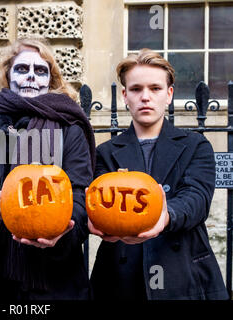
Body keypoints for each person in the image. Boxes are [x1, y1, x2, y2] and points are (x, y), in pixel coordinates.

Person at [0, 38, 96, 300]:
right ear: (8, 75)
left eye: (40, 71)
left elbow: (80, 198)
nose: (31, 76)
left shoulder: (69, 130)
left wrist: (62, 230)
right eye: (22, 69)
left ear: (50, 80)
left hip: (52, 281)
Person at [88, 48, 229, 300]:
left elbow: (196, 198)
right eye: (136, 89)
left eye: (155, 89)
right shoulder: (105, 153)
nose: (145, 97)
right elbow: (102, 204)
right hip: (120, 278)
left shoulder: (196, 145)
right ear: (125, 96)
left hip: (183, 273)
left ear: (169, 95)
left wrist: (165, 216)